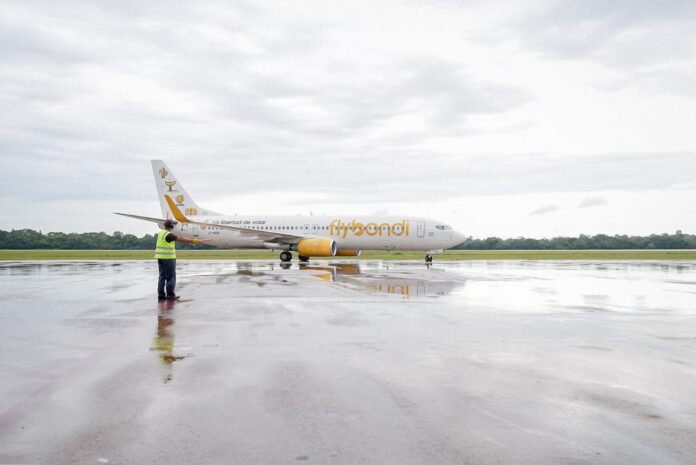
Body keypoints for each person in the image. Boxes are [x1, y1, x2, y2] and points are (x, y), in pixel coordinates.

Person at [156, 219, 200, 300]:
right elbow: (180, 239)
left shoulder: (161, 233)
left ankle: (161, 295)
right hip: (168, 258)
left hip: (160, 257)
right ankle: (170, 295)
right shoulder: (168, 234)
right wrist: (192, 240)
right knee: (171, 277)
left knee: (162, 276)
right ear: (171, 226)